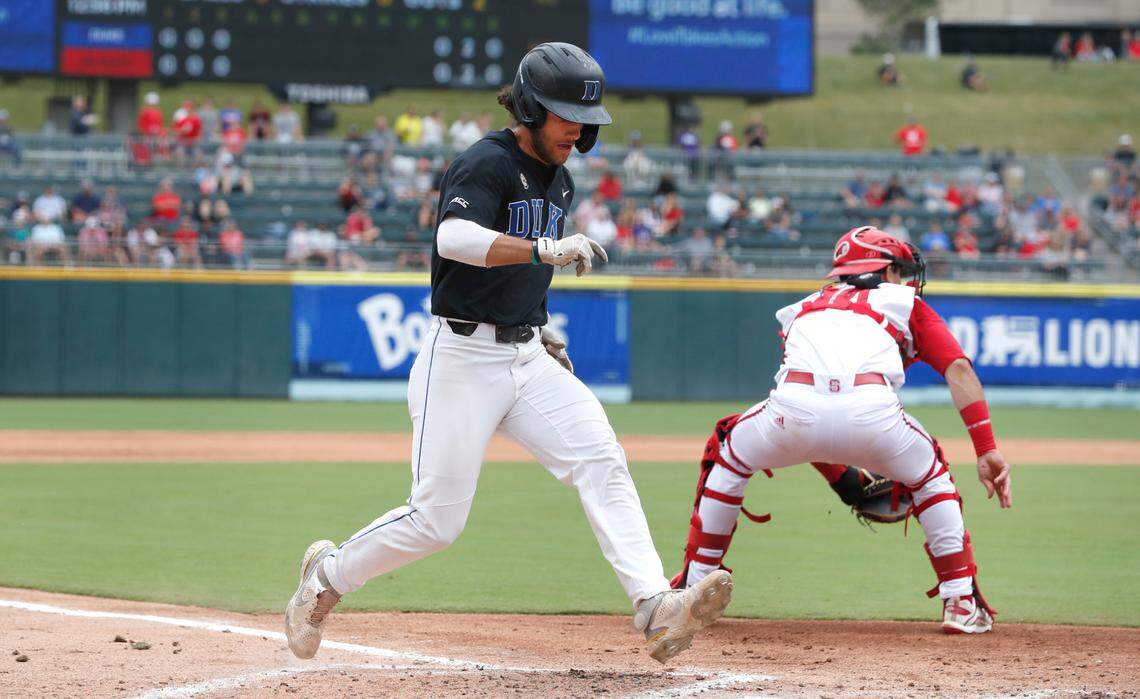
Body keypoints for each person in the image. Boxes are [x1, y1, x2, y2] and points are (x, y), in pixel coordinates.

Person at [284, 41, 732, 666]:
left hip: (525, 357)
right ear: (528, 107)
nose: (575, 129)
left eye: (584, 120)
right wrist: (540, 250)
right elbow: (455, 238)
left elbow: (522, 274)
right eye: (562, 114)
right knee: (437, 522)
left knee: (600, 456)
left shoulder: (561, 179)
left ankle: (655, 604)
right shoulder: (484, 164)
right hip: (462, 360)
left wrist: (540, 327)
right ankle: (326, 576)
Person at [671, 226, 1011, 634]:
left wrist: (839, 476)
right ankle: (960, 601)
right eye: (899, 270)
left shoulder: (803, 307)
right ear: (884, 271)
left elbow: (815, 412)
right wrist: (985, 447)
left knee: (728, 451)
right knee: (930, 473)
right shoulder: (904, 302)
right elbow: (957, 369)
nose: (903, 280)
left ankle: (696, 586)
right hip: (875, 413)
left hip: (791, 410)